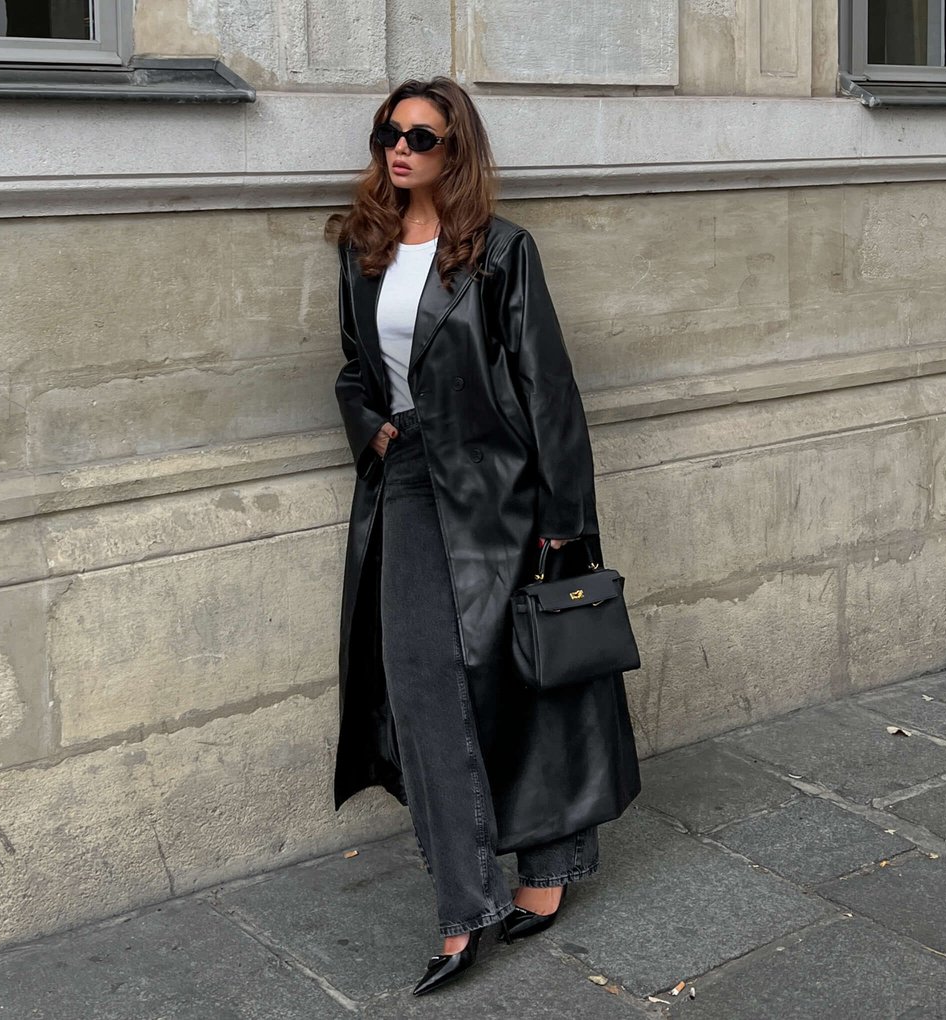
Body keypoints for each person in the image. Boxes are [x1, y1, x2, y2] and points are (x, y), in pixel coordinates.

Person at [322, 76, 642, 997]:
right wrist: (374, 429)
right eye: (390, 132)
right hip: (411, 479)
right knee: (424, 687)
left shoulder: (502, 253)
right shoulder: (363, 246)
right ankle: (464, 907)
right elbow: (354, 367)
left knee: (527, 675)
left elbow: (549, 390)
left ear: (455, 149)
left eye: (421, 136)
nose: (400, 148)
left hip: (502, 488)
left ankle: (551, 865)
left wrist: (566, 526)